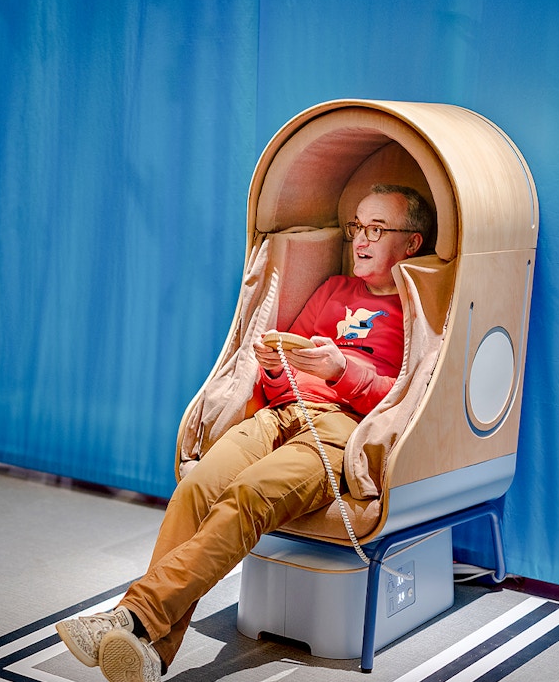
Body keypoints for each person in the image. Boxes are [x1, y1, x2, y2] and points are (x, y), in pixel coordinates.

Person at [54, 183, 436, 682]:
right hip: (280, 414)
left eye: (377, 229)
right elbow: (288, 357)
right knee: (196, 485)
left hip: (343, 429)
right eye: (357, 226)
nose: (360, 239)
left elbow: (409, 397)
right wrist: (279, 366)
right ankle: (152, 654)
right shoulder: (333, 290)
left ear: (411, 243)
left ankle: (133, 615)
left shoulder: (420, 308)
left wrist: (341, 368)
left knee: (248, 495)